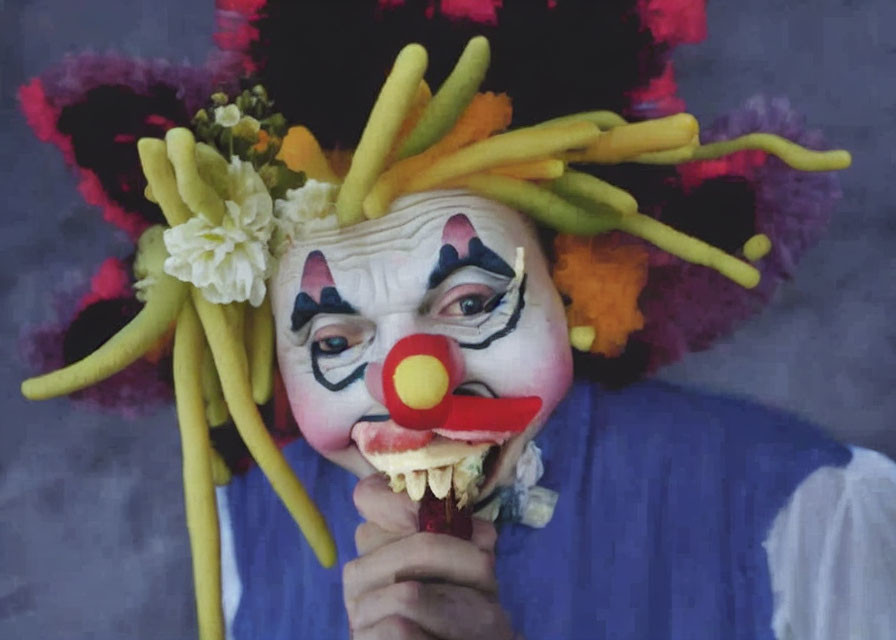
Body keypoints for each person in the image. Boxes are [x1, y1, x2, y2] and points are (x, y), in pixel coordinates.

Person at [15, 2, 896, 639]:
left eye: (472, 303)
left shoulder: (815, 516)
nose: (415, 381)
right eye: (333, 339)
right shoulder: (255, 527)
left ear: (574, 291)